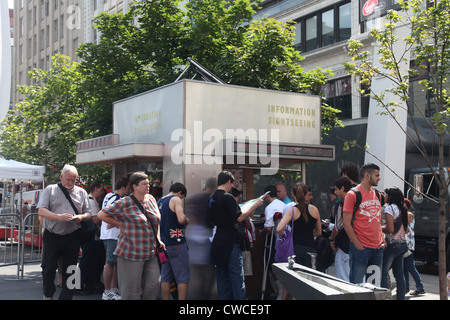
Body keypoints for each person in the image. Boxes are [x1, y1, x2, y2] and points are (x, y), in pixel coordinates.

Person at [97, 172, 164, 300]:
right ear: (134, 186)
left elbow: (156, 221)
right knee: (131, 293)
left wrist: (158, 238)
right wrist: (120, 224)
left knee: (153, 286)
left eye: (148, 183)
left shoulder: (151, 199)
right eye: (144, 184)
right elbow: (101, 214)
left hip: (150, 251)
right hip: (130, 252)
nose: (148, 185)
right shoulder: (125, 202)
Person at [37, 164, 92, 300]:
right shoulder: (50, 190)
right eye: (68, 179)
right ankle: (48, 294)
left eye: (73, 180)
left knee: (71, 270)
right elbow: (41, 210)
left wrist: (81, 217)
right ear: (61, 177)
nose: (70, 183)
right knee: (48, 268)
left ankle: (66, 298)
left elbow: (89, 213)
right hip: (52, 235)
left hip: (72, 236)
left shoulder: (81, 192)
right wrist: (58, 217)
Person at [209, 171, 262, 300]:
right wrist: (254, 205)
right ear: (228, 182)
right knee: (237, 280)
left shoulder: (212, 198)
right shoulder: (228, 197)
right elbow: (239, 218)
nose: (232, 186)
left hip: (218, 242)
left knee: (222, 280)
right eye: (231, 183)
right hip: (230, 243)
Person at [342, 163, 385, 285]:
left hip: (377, 248)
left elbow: (378, 220)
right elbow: (346, 223)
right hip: (361, 248)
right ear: (367, 175)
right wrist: (357, 244)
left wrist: (382, 239)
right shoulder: (353, 194)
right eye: (377, 175)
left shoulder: (377, 194)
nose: (379, 178)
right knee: (357, 286)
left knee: (374, 288)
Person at [277, 182, 322, 268]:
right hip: (311, 248)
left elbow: (279, 229)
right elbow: (319, 231)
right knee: (310, 277)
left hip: (295, 249)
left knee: (296, 278)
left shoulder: (292, 211)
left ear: (293, 194)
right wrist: (308, 235)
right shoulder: (314, 209)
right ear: (306, 194)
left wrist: (285, 235)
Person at [158, 182, 190, 300]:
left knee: (165, 277)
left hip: (163, 244)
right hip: (176, 243)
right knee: (182, 277)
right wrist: (187, 221)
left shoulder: (160, 201)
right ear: (180, 193)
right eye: (182, 196)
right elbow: (181, 219)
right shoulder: (176, 199)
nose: (181, 199)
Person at [100, 177, 130, 300]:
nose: (129, 190)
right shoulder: (117, 198)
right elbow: (109, 218)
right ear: (123, 187)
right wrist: (121, 223)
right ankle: (107, 291)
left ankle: (112, 289)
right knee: (110, 263)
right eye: (128, 187)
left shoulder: (109, 196)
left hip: (109, 234)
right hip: (112, 234)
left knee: (114, 263)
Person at [381, 187, 409, 300]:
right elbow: (406, 230)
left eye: (386, 194)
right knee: (399, 275)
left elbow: (390, 229)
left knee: (383, 272)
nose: (384, 196)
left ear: (390, 196)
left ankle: (384, 298)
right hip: (402, 245)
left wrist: (379, 227)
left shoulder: (389, 209)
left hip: (392, 244)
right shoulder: (403, 208)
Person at [78, 180, 105, 295]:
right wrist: (105, 215)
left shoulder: (92, 200)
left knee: (92, 262)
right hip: (90, 237)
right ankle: (77, 285)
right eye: (101, 189)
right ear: (95, 188)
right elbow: (95, 219)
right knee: (86, 262)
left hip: (91, 237)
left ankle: (89, 284)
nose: (103, 192)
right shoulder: (91, 201)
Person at [329, 177, 352, 282]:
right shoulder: (358, 201)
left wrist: (331, 239)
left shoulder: (341, 204)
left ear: (342, 188)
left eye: (336, 189)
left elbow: (337, 227)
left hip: (344, 245)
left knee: (343, 279)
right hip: (358, 245)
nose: (335, 192)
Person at [403, 198, 425, 296]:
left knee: (410, 266)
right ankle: (406, 287)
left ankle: (420, 287)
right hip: (405, 244)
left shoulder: (409, 215)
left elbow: (406, 228)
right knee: (404, 267)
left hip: (408, 245)